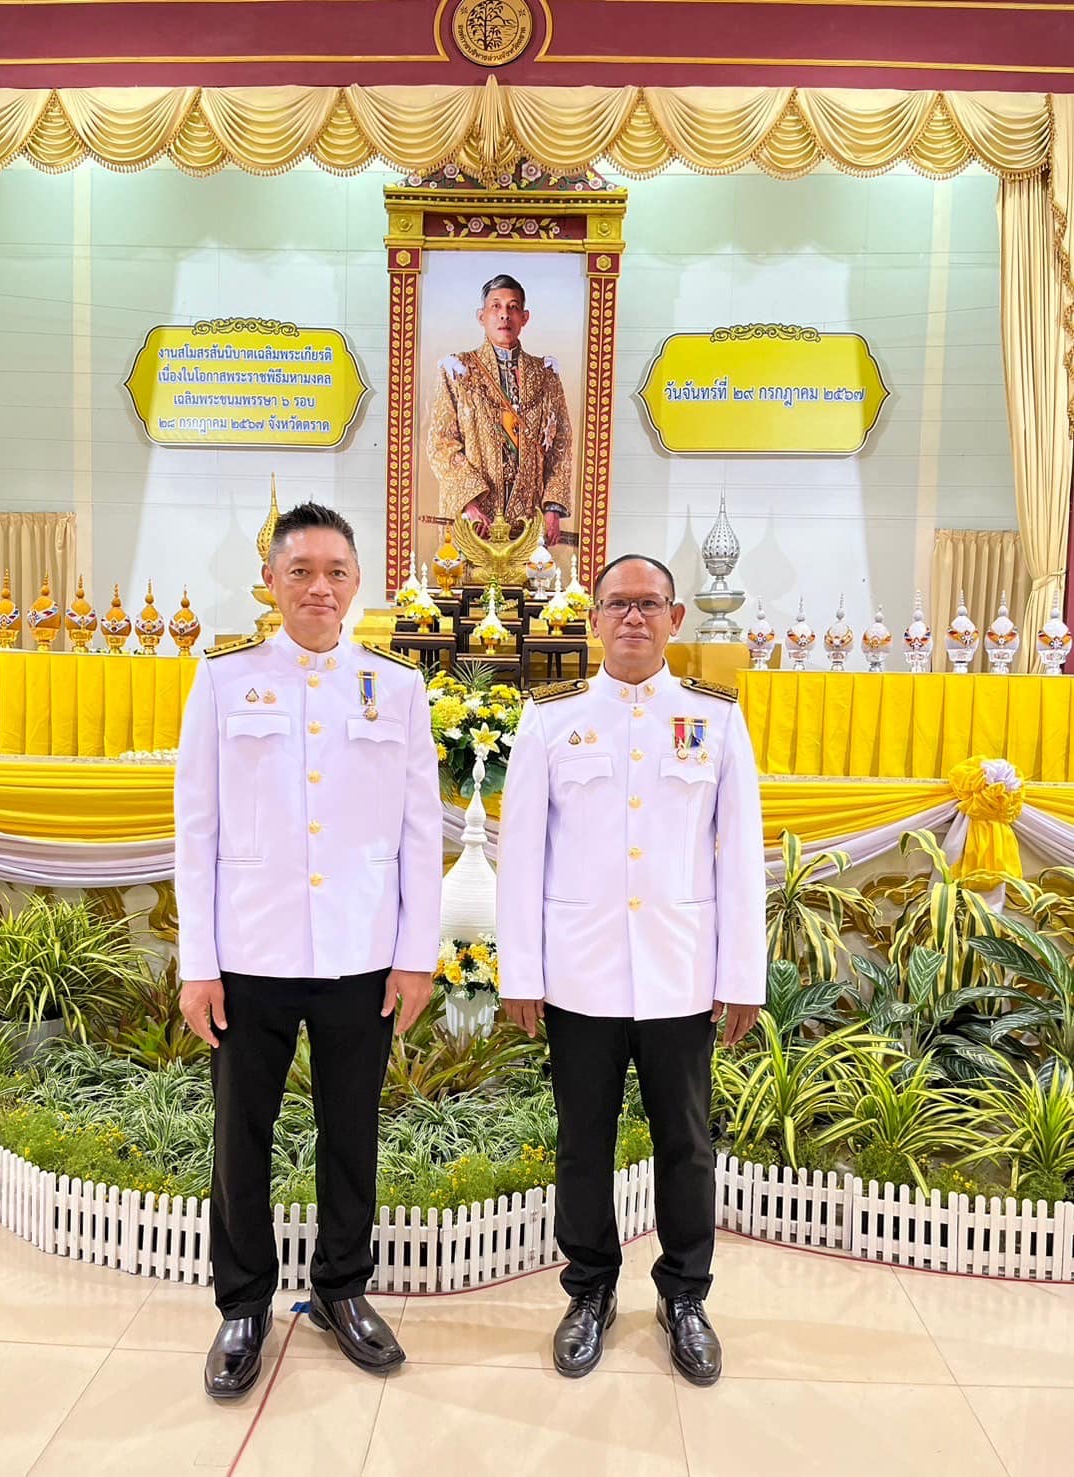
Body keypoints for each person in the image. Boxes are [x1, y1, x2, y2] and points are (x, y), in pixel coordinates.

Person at [175, 501, 442, 1399]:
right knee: (241, 1132)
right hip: (250, 948)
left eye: (335, 571)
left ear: (357, 584)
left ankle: (341, 1287)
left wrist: (415, 956)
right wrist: (198, 962)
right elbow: (197, 830)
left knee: (351, 1129)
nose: (320, 587)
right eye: (301, 572)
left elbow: (418, 831)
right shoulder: (221, 681)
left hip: (360, 951)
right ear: (272, 585)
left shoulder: (397, 688)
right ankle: (244, 1304)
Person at [495, 554, 766, 1386]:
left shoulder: (714, 720)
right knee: (584, 1143)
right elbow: (521, 854)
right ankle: (589, 1291)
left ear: (676, 619)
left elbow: (739, 854)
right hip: (581, 974)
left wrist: (741, 975)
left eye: (650, 605)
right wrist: (521, 973)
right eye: (619, 604)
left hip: (681, 973)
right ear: (595, 618)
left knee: (685, 1144)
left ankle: (686, 1296)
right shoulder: (552, 720)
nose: (635, 618)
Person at [427, 273, 573, 546]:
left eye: (513, 307)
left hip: (526, 523)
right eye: (496, 306)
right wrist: (469, 504)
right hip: (475, 521)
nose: (504, 315)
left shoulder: (545, 376)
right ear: (481, 316)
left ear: (524, 317)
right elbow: (442, 443)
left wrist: (553, 509)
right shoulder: (458, 370)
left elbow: (560, 446)